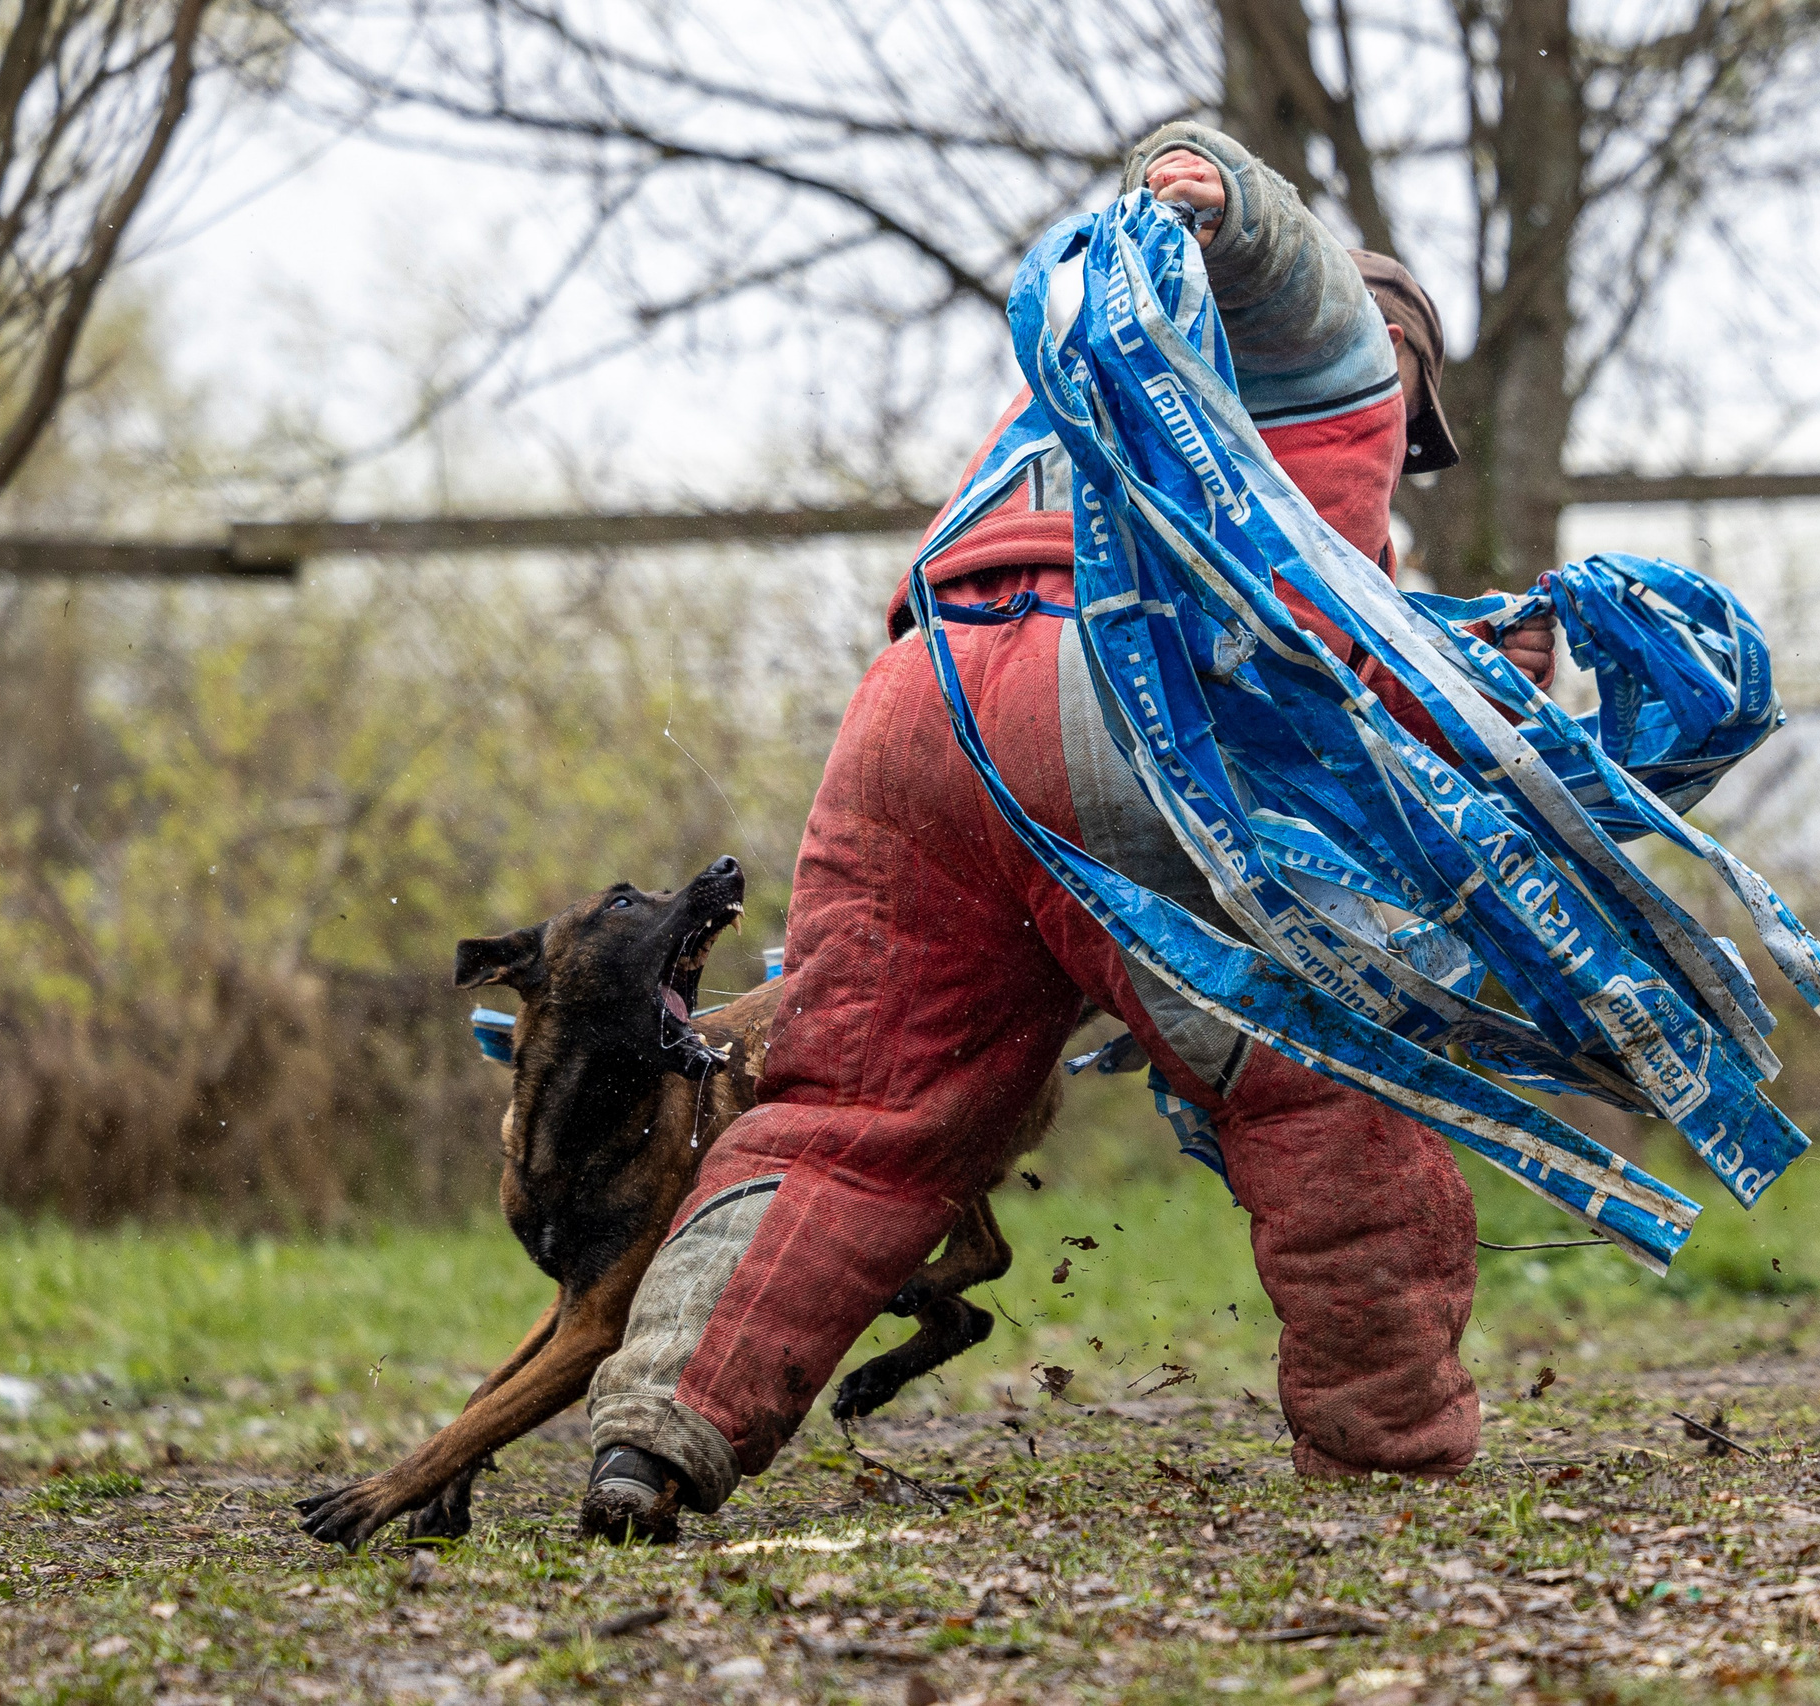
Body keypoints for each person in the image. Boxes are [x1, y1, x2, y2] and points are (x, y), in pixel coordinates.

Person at [579, 123, 1554, 1540]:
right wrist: (1212, 187)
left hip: (920, 716)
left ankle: (659, 1429)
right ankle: (1389, 1445)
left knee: (853, 1111)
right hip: (1107, 704)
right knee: (1327, 1079)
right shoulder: (1317, 354)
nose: (1403, 432)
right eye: (1408, 396)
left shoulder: (1070, 397)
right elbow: (1285, 263)